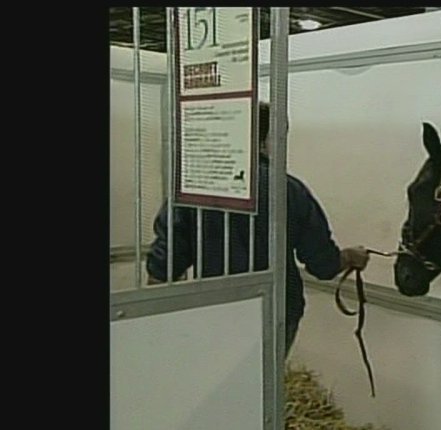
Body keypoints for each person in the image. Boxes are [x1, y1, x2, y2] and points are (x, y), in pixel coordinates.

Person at [146, 101, 371, 354]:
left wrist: (155, 324)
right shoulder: (289, 189)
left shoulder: (193, 187)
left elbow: (164, 264)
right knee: (264, 389)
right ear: (266, 139)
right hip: (276, 311)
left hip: (215, 310)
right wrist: (350, 257)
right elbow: (323, 264)